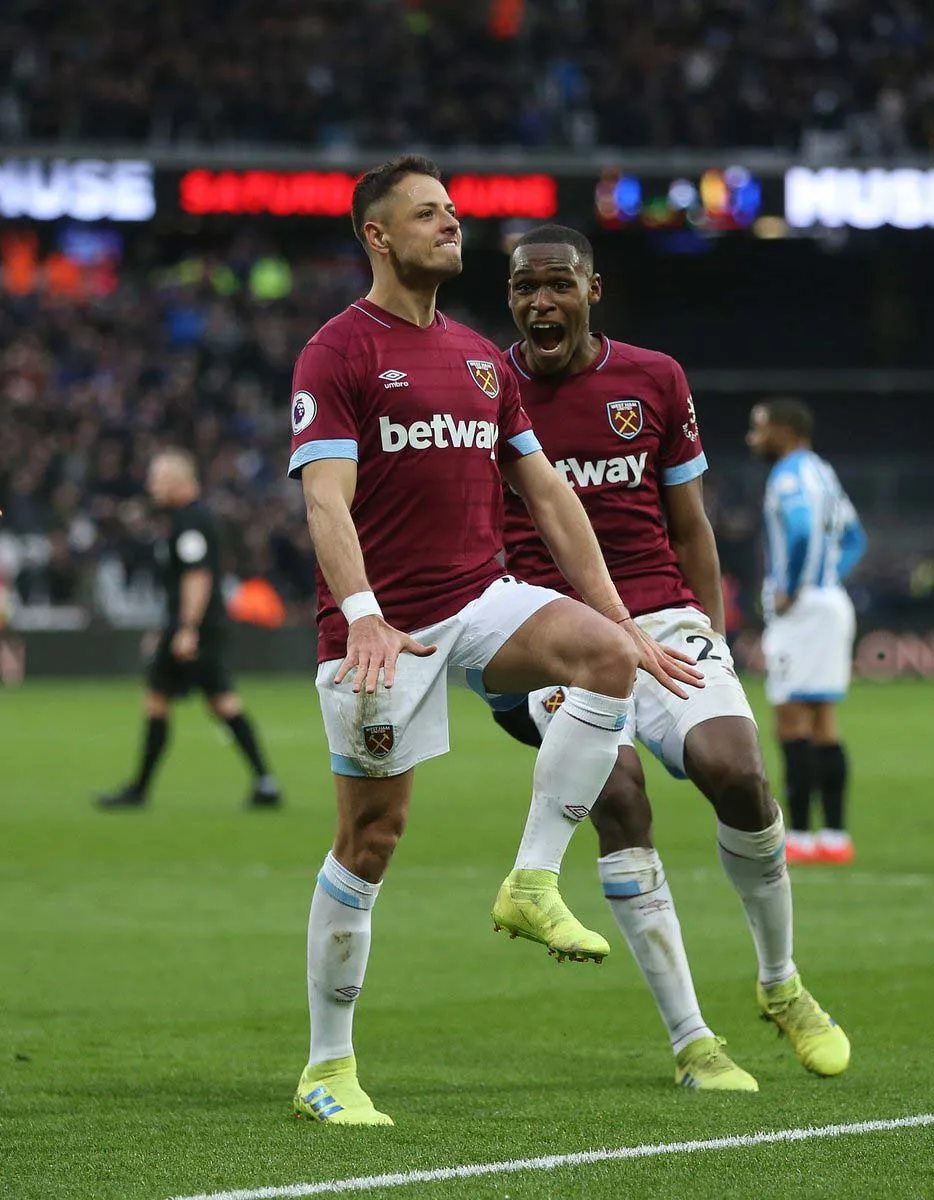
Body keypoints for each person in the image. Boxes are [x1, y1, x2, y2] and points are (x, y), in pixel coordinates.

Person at [287, 157, 702, 1127]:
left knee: (599, 657)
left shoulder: (479, 359)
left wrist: (619, 621)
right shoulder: (338, 352)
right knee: (370, 839)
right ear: (376, 237)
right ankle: (326, 1068)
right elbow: (322, 497)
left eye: (451, 211)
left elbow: (548, 495)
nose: (450, 224)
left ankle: (529, 880)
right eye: (427, 214)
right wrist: (360, 615)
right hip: (379, 631)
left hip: (477, 598)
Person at [491, 224, 851, 1090]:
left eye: (558, 286)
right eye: (524, 289)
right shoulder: (484, 387)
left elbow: (688, 522)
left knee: (736, 771)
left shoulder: (655, 379)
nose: (542, 302)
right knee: (617, 790)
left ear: (592, 290)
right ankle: (693, 1041)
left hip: (661, 611)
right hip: (552, 630)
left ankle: (781, 983)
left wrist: (711, 632)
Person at [96, 449, 282, 810]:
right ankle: (264, 782)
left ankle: (140, 790)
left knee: (179, 699)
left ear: (179, 480)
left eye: (158, 478)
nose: (151, 485)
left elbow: (198, 577)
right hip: (192, 625)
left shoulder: (190, 522)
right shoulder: (187, 519)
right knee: (201, 700)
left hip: (196, 627)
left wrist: (185, 628)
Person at [747, 399, 867, 864]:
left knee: (790, 721)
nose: (753, 438)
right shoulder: (824, 472)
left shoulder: (790, 475)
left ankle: (797, 836)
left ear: (783, 430)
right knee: (824, 724)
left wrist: (794, 588)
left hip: (804, 612)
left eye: (758, 429)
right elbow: (856, 538)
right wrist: (829, 575)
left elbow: (798, 531)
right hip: (832, 603)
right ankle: (835, 838)